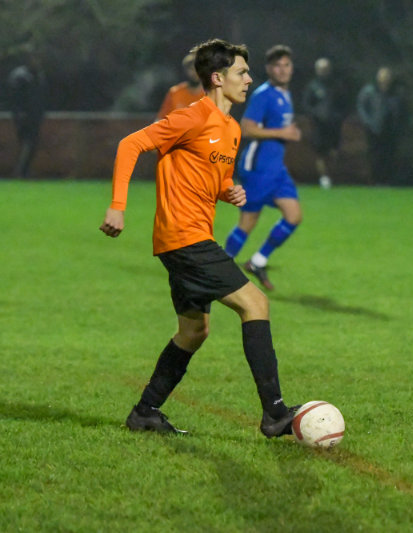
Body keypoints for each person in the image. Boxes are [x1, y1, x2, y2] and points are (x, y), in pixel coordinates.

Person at [99, 39, 299, 438]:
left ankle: (145, 412)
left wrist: (229, 190)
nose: (249, 79)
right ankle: (275, 414)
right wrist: (117, 206)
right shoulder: (191, 117)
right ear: (218, 78)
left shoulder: (231, 128)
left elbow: (214, 177)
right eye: (242, 72)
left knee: (193, 332)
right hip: (184, 238)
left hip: (189, 239)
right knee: (255, 303)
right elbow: (131, 144)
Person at [223, 45, 302, 291]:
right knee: (248, 222)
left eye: (286, 65)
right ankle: (219, 269)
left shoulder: (284, 94)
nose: (283, 70)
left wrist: (287, 133)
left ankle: (257, 262)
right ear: (269, 69)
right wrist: (282, 133)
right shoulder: (263, 95)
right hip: (258, 168)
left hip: (276, 170)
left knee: (294, 216)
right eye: (277, 66)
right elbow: (247, 128)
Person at [356, 66, 406, 184]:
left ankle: (387, 180)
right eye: (383, 76)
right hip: (374, 130)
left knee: (389, 156)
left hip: (391, 130)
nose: (385, 79)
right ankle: (375, 180)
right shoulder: (369, 91)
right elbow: (362, 107)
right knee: (375, 156)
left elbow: (403, 111)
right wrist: (368, 123)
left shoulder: (397, 93)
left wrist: (400, 126)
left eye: (387, 76)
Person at [302, 57, 345, 188]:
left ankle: (333, 175)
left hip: (334, 124)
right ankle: (324, 177)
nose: (323, 71)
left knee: (334, 151)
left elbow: (344, 103)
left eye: (325, 69)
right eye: (321, 69)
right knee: (320, 152)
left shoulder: (337, 85)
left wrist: (338, 116)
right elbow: (306, 104)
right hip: (319, 125)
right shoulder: (313, 86)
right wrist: (315, 114)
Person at [7, 55, 46, 178]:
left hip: (34, 116)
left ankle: (25, 170)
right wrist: (20, 113)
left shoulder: (37, 74)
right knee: (27, 143)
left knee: (32, 144)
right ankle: (21, 171)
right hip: (24, 116)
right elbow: (15, 97)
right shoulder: (20, 75)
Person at [156, 52, 204, 120]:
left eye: (198, 69)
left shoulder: (211, 93)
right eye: (191, 69)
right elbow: (161, 118)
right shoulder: (175, 92)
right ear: (186, 71)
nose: (194, 72)